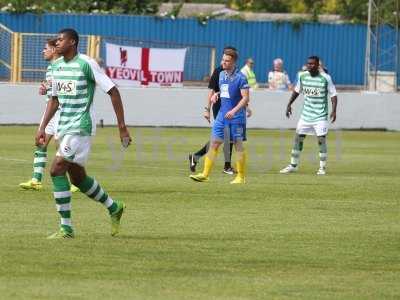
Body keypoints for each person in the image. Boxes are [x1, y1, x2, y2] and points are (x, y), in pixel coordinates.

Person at [36, 28, 132, 239]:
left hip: (80, 126)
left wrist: (122, 126)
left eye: (60, 40)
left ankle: (66, 228)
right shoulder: (57, 67)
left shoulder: (86, 64)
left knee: (56, 169)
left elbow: (113, 90)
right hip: (63, 126)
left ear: (73, 42)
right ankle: (114, 207)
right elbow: (54, 100)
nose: (56, 44)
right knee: (78, 178)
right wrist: (42, 127)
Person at [19, 38, 78, 193]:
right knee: (40, 142)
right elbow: (54, 88)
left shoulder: (62, 67)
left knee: (62, 147)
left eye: (45, 48)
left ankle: (75, 181)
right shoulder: (51, 67)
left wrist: (51, 88)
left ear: (53, 50)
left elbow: (68, 88)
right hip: (50, 112)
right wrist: (46, 88)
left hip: (61, 111)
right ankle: (36, 180)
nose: (42, 51)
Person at [190, 48, 249, 184]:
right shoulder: (221, 75)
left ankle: (240, 177)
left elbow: (245, 98)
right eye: (223, 60)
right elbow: (224, 91)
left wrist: (234, 111)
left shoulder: (241, 77)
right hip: (222, 115)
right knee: (214, 143)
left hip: (236, 117)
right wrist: (216, 95)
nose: (224, 62)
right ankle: (205, 174)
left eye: (227, 61)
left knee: (238, 145)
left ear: (234, 62)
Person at [280, 56, 338, 175]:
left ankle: (322, 168)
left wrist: (334, 110)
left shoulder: (326, 78)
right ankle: (293, 165)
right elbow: (297, 91)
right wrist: (289, 104)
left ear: (318, 65)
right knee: (298, 139)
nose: (309, 66)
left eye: (312, 64)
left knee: (321, 139)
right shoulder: (302, 76)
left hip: (320, 116)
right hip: (305, 115)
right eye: (308, 64)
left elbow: (333, 95)